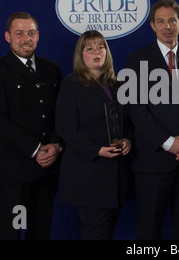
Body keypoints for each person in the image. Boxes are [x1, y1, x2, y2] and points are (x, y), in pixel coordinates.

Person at [125, 0, 179, 239]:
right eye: (160, 22)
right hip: (153, 161)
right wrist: (170, 144)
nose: (167, 27)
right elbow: (137, 111)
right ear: (152, 25)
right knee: (149, 230)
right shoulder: (136, 60)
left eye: (172, 21)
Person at [0, 11, 63, 239]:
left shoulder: (51, 69)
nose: (26, 38)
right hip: (14, 172)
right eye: (19, 33)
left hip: (47, 170)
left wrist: (55, 145)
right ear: (8, 37)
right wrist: (36, 149)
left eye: (31, 33)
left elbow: (61, 113)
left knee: (41, 232)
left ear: (38, 36)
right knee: (12, 231)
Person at [55, 30, 134, 240]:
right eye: (89, 49)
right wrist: (97, 150)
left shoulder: (118, 85)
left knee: (107, 232)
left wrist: (128, 139)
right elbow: (66, 127)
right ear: (81, 55)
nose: (96, 52)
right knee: (96, 234)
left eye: (100, 47)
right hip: (88, 175)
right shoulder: (72, 85)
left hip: (116, 175)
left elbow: (130, 122)